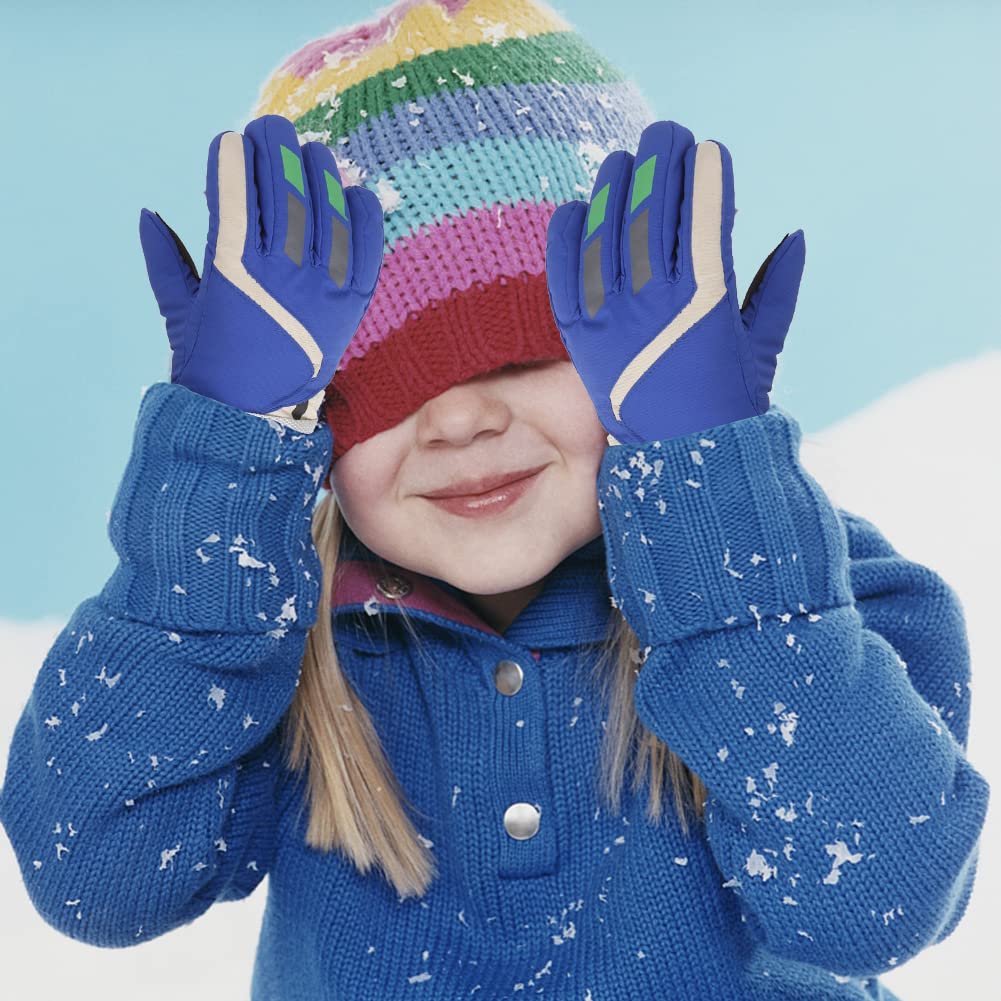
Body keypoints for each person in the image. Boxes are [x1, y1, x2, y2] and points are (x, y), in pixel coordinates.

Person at [0, 1, 989, 998]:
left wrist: (706, 475)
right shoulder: (274, 640)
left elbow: (877, 895)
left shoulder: (813, 595)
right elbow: (94, 876)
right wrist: (222, 471)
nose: (459, 419)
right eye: (377, 386)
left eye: (523, 353)